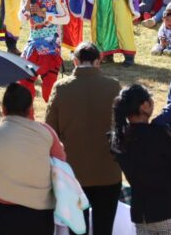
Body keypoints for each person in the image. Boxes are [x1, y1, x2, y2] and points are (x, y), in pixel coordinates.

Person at [0, 83, 65, 235]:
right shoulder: (46, 132)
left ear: (3, 109)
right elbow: (61, 162)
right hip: (41, 212)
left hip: (5, 214)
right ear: (30, 109)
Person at [46, 42, 123, 235]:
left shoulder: (61, 88)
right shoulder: (113, 86)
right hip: (108, 171)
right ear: (98, 61)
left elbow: (50, 131)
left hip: (74, 174)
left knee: (77, 230)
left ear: (75, 61)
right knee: (104, 229)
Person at [109, 84, 171, 234]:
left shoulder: (118, 138)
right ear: (144, 105)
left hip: (141, 214)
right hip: (170, 210)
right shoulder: (158, 134)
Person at [18, 0, 69, 102]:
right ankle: (26, 113)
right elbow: (21, 19)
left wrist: (44, 14)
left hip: (50, 44)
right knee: (23, 83)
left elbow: (66, 18)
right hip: (33, 42)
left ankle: (53, 113)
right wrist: (28, 2)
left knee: (49, 88)